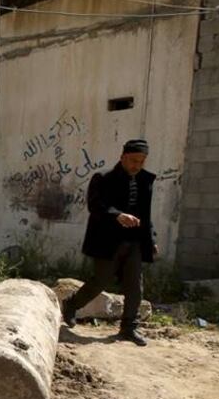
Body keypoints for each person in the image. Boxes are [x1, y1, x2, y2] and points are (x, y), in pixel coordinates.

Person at [62, 139, 157, 346]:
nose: (137, 166)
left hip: (135, 242)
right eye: (133, 160)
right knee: (101, 281)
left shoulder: (144, 181)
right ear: (123, 157)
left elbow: (145, 215)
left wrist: (151, 240)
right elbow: (95, 205)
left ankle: (129, 327)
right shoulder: (103, 178)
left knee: (135, 286)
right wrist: (117, 215)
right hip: (107, 241)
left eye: (141, 162)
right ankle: (71, 305)